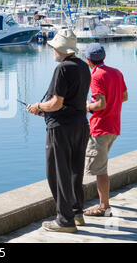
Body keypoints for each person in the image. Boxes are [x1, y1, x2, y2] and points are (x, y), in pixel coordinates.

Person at [28, 29, 91, 233]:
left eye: (54, 47)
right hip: (80, 125)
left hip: (61, 128)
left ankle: (65, 221)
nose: (52, 50)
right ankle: (76, 212)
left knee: (57, 172)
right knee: (75, 170)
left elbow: (55, 103)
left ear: (61, 49)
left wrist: (38, 106)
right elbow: (73, 100)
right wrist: (45, 110)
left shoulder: (62, 69)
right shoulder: (83, 66)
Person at [83, 43, 128, 217]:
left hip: (100, 128)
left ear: (88, 60)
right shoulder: (116, 72)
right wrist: (111, 105)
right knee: (101, 166)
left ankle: (104, 207)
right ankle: (104, 203)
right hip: (114, 126)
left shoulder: (96, 76)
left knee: (100, 170)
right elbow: (124, 97)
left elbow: (100, 104)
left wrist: (87, 106)